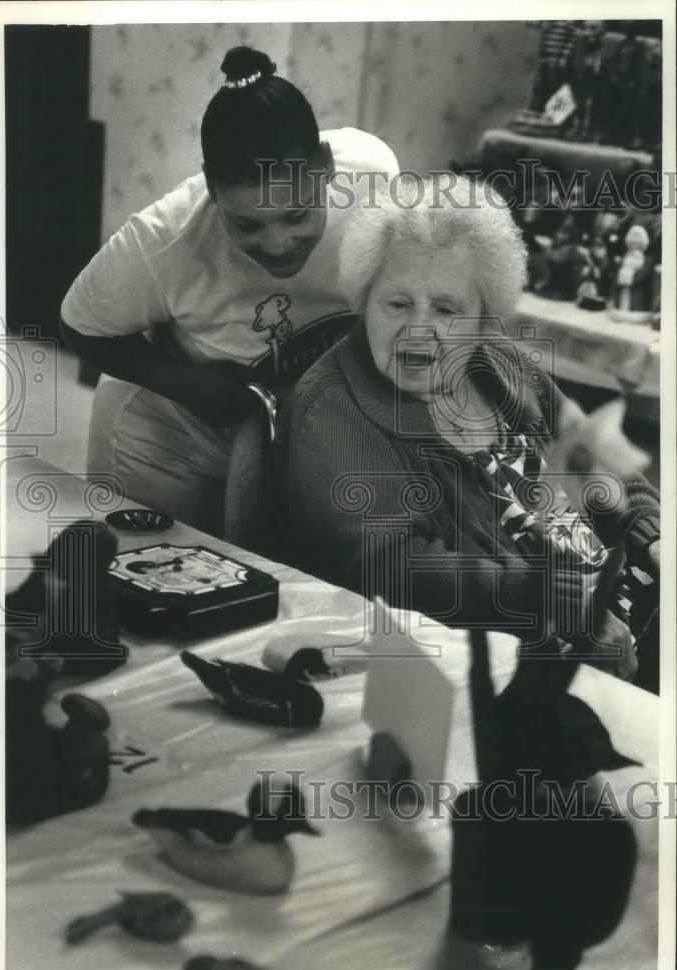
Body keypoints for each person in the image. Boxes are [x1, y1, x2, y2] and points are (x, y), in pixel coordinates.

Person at [276, 176, 660, 683]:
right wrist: (547, 599)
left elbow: (596, 459)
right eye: (397, 303)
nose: (418, 328)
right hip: (520, 660)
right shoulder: (331, 411)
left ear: (484, 318)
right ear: (364, 299)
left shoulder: (499, 361)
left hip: (627, 603)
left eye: (446, 309)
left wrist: (650, 532)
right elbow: (391, 568)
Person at [60, 46, 399, 534]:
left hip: (287, 442)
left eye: (298, 214)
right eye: (246, 224)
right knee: (161, 583)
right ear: (213, 189)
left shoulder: (375, 179)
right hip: (166, 441)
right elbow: (78, 323)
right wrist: (186, 384)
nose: (278, 245)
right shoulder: (167, 239)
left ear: (325, 166)